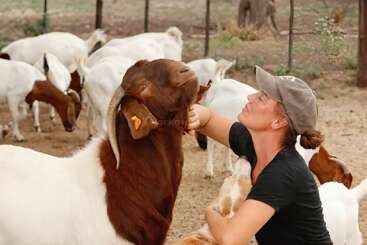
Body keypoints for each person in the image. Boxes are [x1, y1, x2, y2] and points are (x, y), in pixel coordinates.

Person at [187, 66, 332, 245]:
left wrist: (211, 210)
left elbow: (229, 238)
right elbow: (207, 118)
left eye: (262, 97)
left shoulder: (284, 173)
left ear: (279, 122)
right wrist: (194, 116)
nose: (250, 97)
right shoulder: (253, 143)